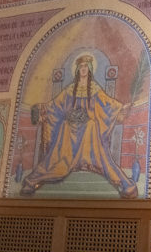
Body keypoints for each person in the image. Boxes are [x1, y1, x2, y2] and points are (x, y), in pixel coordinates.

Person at [20, 52, 137, 198]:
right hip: (71, 126)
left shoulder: (94, 88)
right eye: (81, 66)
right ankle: (42, 175)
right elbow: (56, 105)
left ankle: (92, 163)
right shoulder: (70, 89)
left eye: (85, 66)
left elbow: (108, 103)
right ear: (77, 70)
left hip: (87, 127)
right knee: (64, 126)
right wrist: (42, 108)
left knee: (91, 125)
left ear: (90, 69)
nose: (83, 69)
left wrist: (120, 108)